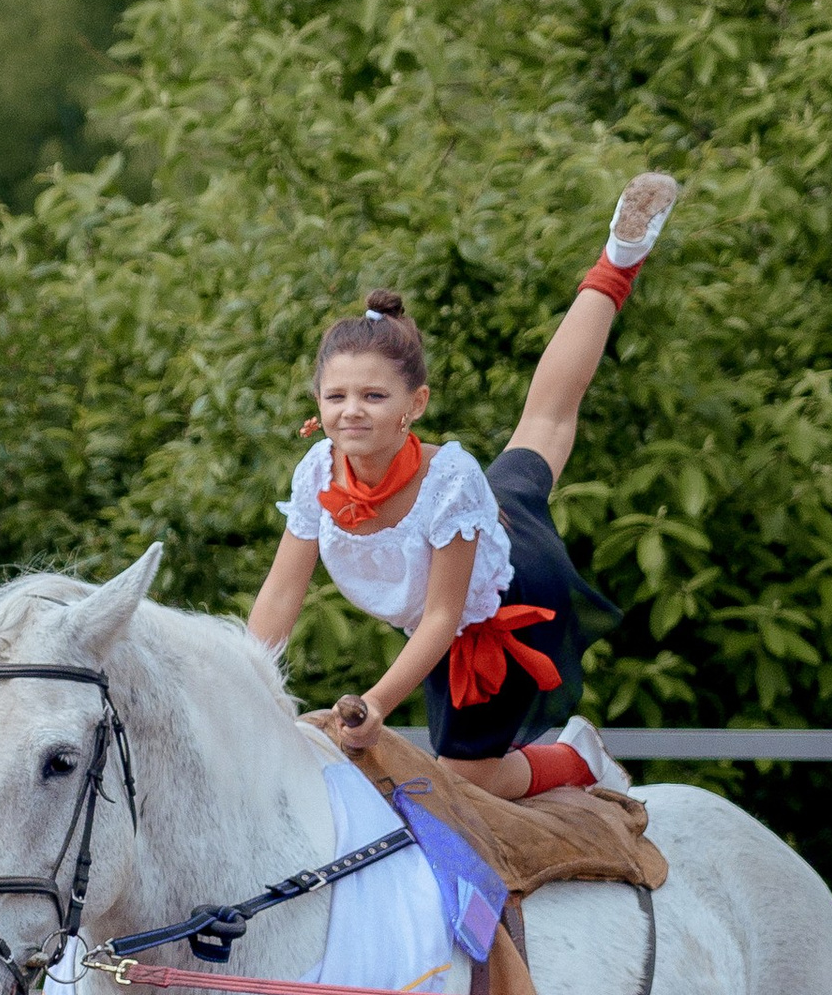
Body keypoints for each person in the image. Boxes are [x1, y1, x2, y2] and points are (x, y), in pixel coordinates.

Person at [244, 177, 680, 801]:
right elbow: (283, 591)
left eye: (373, 396)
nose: (351, 412)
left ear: (413, 405)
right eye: (336, 396)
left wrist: (375, 704)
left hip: (502, 599)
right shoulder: (318, 470)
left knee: (465, 782)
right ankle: (619, 258)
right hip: (477, 542)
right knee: (545, 423)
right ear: (316, 403)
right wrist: (247, 685)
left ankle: (579, 758)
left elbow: (447, 615)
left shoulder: (450, 481)